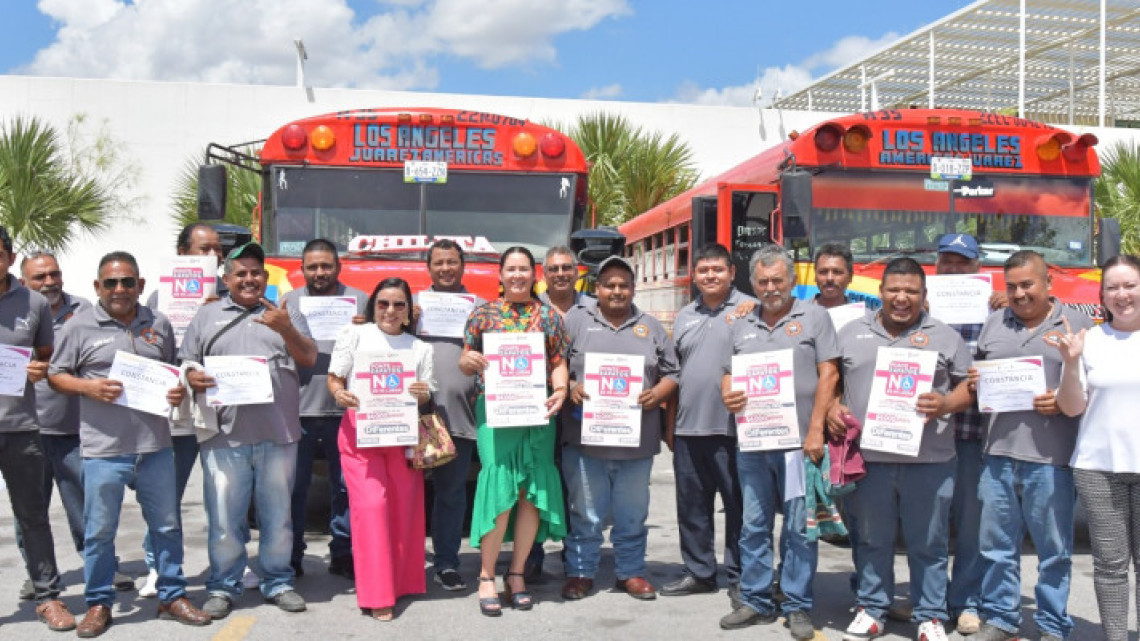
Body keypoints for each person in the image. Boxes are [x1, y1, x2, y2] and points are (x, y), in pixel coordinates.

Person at [48, 251, 211, 636]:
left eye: (127, 282)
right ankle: (99, 603)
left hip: (155, 446)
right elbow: (56, 375)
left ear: (140, 285)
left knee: (167, 526)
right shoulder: (79, 326)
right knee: (100, 531)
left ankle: (172, 595)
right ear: (97, 287)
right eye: (111, 283)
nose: (119, 289)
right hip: (104, 449)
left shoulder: (159, 323)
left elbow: (174, 371)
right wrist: (88, 386)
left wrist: (177, 390)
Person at [830, 257, 972, 641]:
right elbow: (832, 382)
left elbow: (969, 387)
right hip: (869, 460)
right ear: (881, 293)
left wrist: (945, 404)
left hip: (930, 461)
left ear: (924, 296)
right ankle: (872, 608)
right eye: (894, 290)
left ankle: (930, 615)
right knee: (872, 538)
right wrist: (833, 406)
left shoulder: (946, 336)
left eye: (911, 291)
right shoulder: (850, 332)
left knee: (929, 542)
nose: (901, 298)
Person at [180, 242, 317, 619]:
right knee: (225, 517)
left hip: (279, 433)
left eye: (256, 272)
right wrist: (194, 376)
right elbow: (186, 363)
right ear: (226, 280)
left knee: (278, 515)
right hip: (224, 435)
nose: (249, 279)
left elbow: (307, 359)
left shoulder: (285, 312)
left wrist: (286, 328)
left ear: (265, 277)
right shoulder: (206, 316)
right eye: (240, 273)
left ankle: (278, 580)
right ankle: (224, 585)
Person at [717, 246, 839, 639]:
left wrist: (817, 429)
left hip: (799, 445)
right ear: (752, 284)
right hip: (753, 444)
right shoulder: (741, 322)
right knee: (753, 525)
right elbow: (727, 373)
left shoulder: (815, 317)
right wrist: (729, 392)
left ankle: (797, 604)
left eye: (778, 281)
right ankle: (754, 599)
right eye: (763, 281)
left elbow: (830, 374)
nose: (771, 288)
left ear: (792, 282)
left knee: (800, 528)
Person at [967, 250, 1090, 641]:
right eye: (1013, 286)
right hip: (998, 456)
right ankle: (1002, 619)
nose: (1019, 294)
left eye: (1027, 284)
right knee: (996, 548)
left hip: (1051, 460)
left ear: (1048, 282)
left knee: (1054, 552)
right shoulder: (993, 324)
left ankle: (1053, 625)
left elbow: (1092, 390)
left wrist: (1064, 399)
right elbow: (979, 376)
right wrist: (976, 381)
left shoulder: (1078, 324)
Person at [559, 255, 678, 601]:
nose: (616, 291)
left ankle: (631, 571)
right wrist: (570, 388)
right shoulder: (576, 321)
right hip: (585, 441)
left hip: (635, 443)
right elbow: (556, 363)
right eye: (609, 285)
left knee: (632, 514)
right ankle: (581, 571)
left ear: (633, 289)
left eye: (623, 285)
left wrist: (657, 393)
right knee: (586, 513)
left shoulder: (651, 326)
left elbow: (674, 372)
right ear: (597, 289)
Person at [459, 246, 570, 616]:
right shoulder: (482, 314)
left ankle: (517, 572)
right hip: (496, 412)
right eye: (511, 269)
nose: (518, 275)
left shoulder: (549, 317)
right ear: (501, 274)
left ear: (532, 273)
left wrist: (561, 390)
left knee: (530, 491)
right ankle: (487, 575)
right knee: (500, 486)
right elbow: (465, 359)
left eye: (524, 269)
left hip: (537, 412)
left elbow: (558, 361)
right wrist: (467, 360)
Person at [20, 251, 136, 599]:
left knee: (87, 504)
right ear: (24, 282)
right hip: (27, 429)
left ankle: (99, 565)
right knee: (30, 508)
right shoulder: (14, 314)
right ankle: (37, 572)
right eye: (39, 277)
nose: (49, 282)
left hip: (76, 430)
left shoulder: (84, 308)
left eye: (54, 274)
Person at [328, 277, 435, 621]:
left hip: (402, 438)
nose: (390, 311)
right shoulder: (354, 335)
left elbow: (427, 393)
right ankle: (377, 594)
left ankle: (400, 583)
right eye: (383, 304)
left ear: (408, 311)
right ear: (373, 306)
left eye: (398, 304)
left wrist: (421, 392)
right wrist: (338, 394)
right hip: (362, 437)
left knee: (403, 513)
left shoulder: (420, 348)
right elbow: (335, 377)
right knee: (372, 510)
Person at [660, 244, 755, 608]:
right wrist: (670, 427)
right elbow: (674, 374)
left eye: (717, 269)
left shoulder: (749, 309)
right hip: (688, 430)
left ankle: (740, 576)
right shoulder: (684, 316)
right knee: (692, 507)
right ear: (695, 276)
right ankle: (699, 572)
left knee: (739, 507)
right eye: (703, 270)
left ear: (732, 272)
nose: (710, 276)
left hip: (735, 430)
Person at [1055, 254, 1140, 641]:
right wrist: (1071, 363)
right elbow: (1071, 407)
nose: (1122, 294)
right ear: (1102, 295)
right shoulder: (1088, 341)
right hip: (1098, 468)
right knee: (1109, 564)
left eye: (1130, 285)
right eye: (1113, 287)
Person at [139, 221, 225, 597]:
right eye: (204, 249)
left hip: (222, 411)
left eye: (217, 249)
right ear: (183, 254)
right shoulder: (160, 299)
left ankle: (229, 566)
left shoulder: (231, 293)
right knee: (166, 494)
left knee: (224, 495)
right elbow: (153, 351)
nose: (213, 256)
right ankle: (158, 568)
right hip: (177, 414)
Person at [0, 227, 75, 632]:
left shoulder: (33, 302)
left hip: (20, 427)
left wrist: (36, 369)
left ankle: (48, 597)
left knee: (33, 516)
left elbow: (47, 357)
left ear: (9, 258)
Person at [933, 233, 1007, 634]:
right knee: (927, 525)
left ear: (978, 267)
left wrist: (1008, 306)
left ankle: (965, 601)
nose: (955, 269)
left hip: (973, 433)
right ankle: (930, 598)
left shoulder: (999, 314)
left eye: (963, 262)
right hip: (927, 435)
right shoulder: (919, 308)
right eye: (948, 261)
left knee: (970, 525)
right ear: (937, 266)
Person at [281, 239, 366, 580]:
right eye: (312, 267)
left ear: (338, 267)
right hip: (297, 409)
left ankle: (343, 553)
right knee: (295, 487)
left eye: (326, 266)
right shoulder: (288, 302)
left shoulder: (360, 300)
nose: (320, 273)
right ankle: (292, 554)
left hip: (345, 410)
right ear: (302, 270)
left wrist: (367, 328)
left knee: (344, 488)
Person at [414, 239, 485, 592]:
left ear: (463, 265)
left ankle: (445, 562)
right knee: (405, 494)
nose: (446, 268)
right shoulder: (411, 308)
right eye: (439, 262)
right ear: (429, 268)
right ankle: (404, 562)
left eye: (452, 262)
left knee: (450, 493)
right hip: (416, 417)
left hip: (458, 418)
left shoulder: (482, 309)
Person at [525, 245, 582, 580]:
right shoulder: (528, 309)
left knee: (575, 484)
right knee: (535, 480)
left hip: (584, 409)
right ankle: (530, 555)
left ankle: (574, 557)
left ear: (576, 271)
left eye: (567, 268)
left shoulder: (595, 307)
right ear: (544, 275)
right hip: (537, 406)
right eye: (554, 269)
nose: (561, 273)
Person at [812, 243, 855, 309]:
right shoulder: (796, 314)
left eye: (837, 272)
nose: (830, 278)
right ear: (815, 276)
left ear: (850, 277)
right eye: (823, 272)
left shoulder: (864, 318)